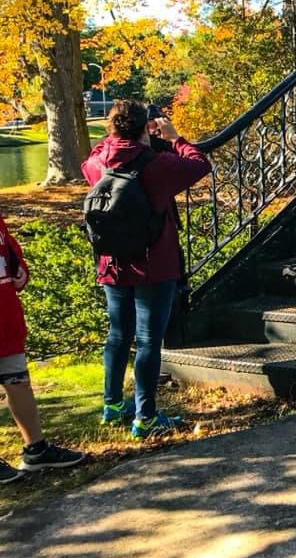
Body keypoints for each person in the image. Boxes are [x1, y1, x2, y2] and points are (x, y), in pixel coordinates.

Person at [82, 100, 211, 440]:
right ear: (145, 128)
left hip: (112, 263)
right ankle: (146, 415)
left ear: (111, 128)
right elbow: (199, 164)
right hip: (155, 264)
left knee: (117, 334)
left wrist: (115, 139)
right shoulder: (158, 165)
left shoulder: (99, 162)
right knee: (149, 340)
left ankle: (112, 405)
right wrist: (175, 137)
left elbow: (89, 160)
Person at [1, 214, 85, 483]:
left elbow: (15, 263)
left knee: (19, 383)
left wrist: (18, 267)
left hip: (6, 322)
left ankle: (36, 450)